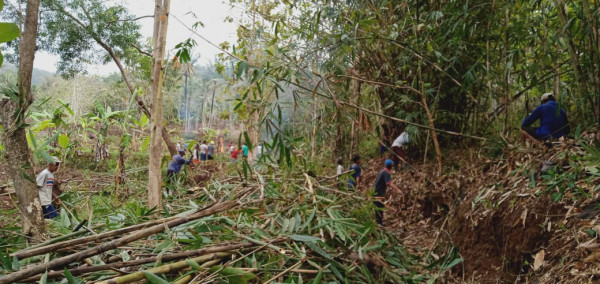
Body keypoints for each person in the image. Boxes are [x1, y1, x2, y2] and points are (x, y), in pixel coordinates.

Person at [373, 159, 402, 226]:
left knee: (379, 207)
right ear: (391, 166)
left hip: (376, 192)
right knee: (379, 207)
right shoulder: (386, 172)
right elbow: (389, 183)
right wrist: (398, 190)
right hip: (378, 193)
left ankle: (379, 222)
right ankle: (379, 223)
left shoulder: (382, 171)